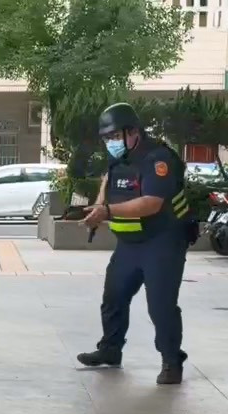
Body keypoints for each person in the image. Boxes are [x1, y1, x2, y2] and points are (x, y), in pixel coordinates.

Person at [77, 103, 191, 385]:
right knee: (113, 297)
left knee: (160, 306)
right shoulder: (119, 158)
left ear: (133, 132)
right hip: (129, 244)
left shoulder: (158, 159)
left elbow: (151, 203)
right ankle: (110, 350)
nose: (111, 142)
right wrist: (97, 208)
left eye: (115, 136)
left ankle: (171, 360)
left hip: (162, 242)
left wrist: (107, 212)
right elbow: (107, 184)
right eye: (107, 138)